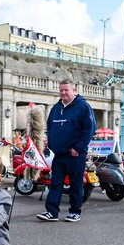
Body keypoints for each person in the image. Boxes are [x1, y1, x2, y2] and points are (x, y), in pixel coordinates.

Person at [36, 79, 96, 222]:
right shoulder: (56, 108)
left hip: (75, 155)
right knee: (55, 184)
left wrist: (78, 148)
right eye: (61, 90)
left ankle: (75, 212)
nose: (63, 92)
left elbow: (89, 129)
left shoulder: (83, 107)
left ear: (74, 91)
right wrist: (50, 143)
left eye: (66, 90)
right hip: (59, 154)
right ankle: (52, 212)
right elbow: (50, 127)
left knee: (76, 185)